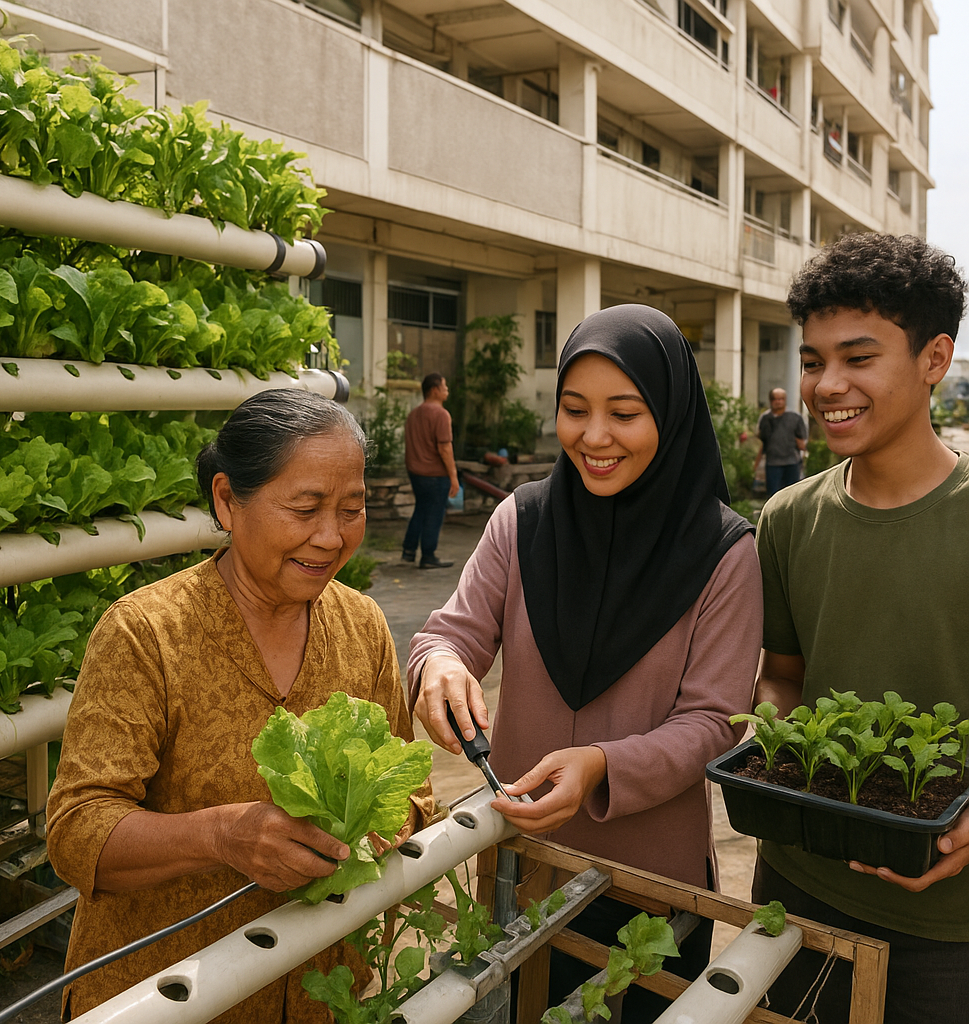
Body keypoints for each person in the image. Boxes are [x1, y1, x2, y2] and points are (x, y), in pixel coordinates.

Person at [408, 305, 762, 1021]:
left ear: (669, 415)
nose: (594, 437)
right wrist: (439, 667)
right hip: (521, 872)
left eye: (624, 413)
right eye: (575, 410)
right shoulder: (523, 520)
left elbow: (715, 720)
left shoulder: (724, 552)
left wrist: (602, 765)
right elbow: (449, 633)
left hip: (652, 887)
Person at [47, 390, 433, 1022]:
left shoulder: (361, 623)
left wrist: (388, 825)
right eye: (305, 507)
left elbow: (408, 784)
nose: (331, 537)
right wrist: (221, 835)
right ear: (228, 500)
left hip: (318, 990)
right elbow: (76, 831)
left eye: (352, 508)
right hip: (162, 993)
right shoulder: (147, 632)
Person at [751, 233, 969, 1024]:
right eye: (812, 361)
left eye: (858, 357)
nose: (827, 385)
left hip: (946, 920)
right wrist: (770, 734)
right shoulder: (786, 519)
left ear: (934, 358)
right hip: (798, 885)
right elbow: (784, 671)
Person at [402, 372, 460, 568]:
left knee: (420, 509)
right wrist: (454, 477)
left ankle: (408, 550)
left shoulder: (413, 414)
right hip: (435, 474)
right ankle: (428, 555)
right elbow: (445, 448)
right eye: (444, 387)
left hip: (416, 472)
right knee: (434, 513)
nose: (447, 390)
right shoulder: (441, 414)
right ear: (435, 390)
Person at [754, 387, 808, 496]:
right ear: (770, 401)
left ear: (785, 400)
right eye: (775, 399)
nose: (778, 402)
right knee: (773, 496)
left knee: (793, 496)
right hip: (772, 463)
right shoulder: (765, 418)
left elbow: (802, 440)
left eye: (781, 399)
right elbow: (761, 440)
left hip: (792, 462)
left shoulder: (795, 417)